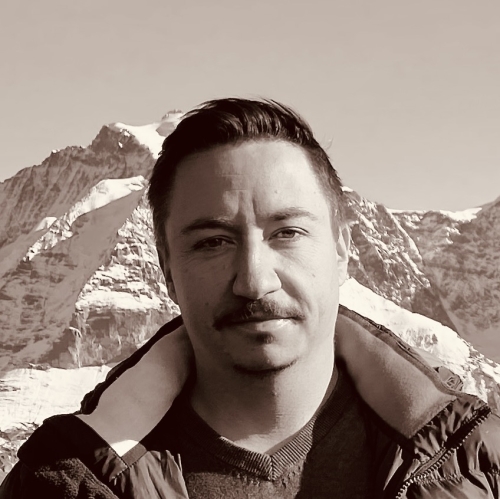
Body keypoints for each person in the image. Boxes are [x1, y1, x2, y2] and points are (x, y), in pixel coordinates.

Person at [1, 98, 499, 498]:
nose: (254, 281)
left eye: (287, 233)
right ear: (167, 269)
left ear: (343, 250)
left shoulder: (481, 464)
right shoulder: (59, 484)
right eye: (213, 242)